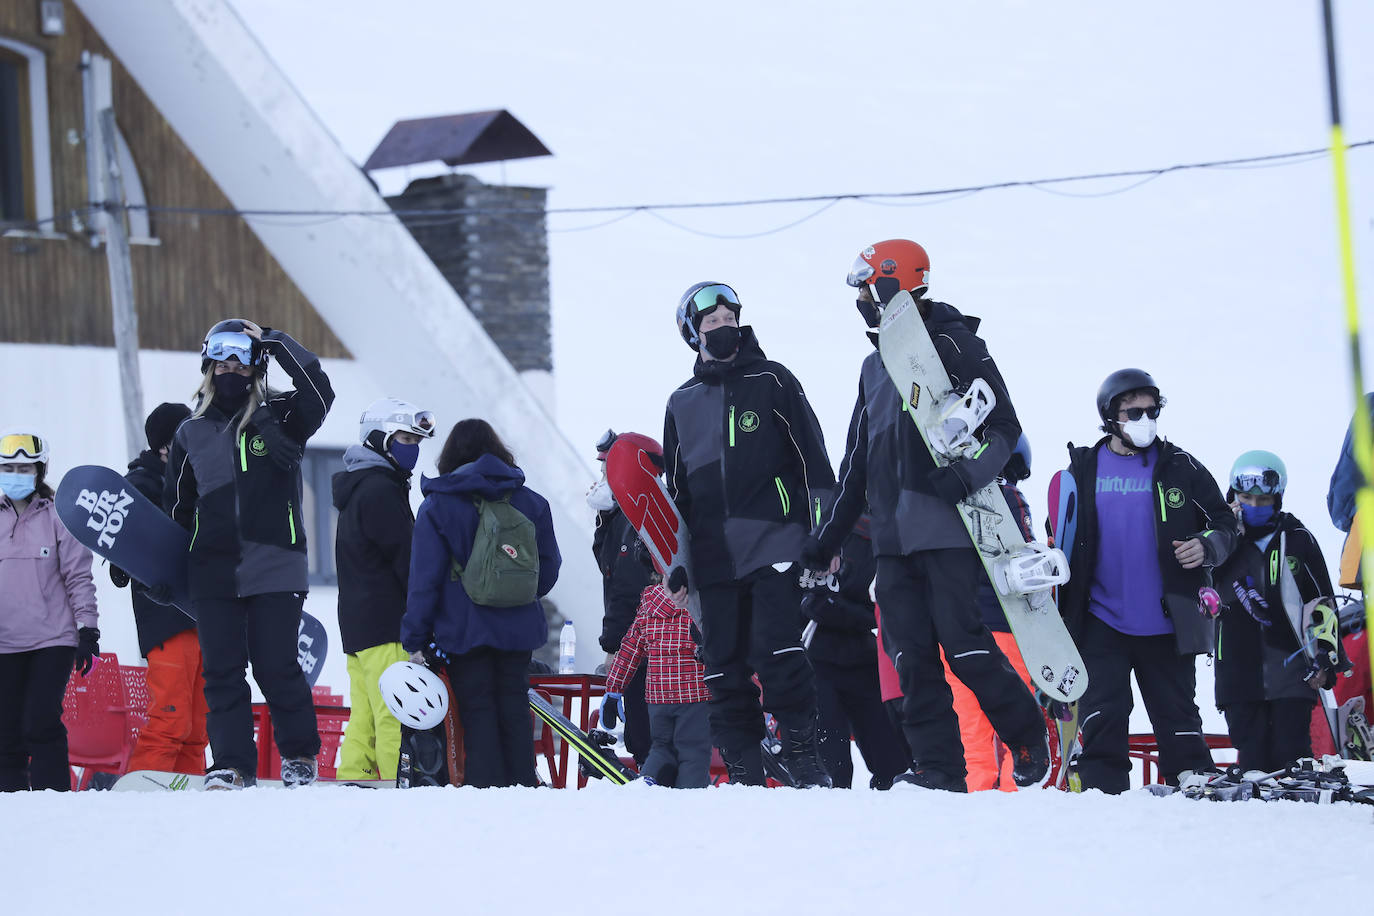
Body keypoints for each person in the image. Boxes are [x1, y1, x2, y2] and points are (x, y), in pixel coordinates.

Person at [808, 239, 1048, 792]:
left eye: (867, 289)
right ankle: (938, 768)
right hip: (892, 541)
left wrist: (968, 476)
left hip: (948, 529)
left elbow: (1006, 427)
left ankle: (1027, 732)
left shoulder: (955, 342)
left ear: (892, 283)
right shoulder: (873, 367)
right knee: (911, 658)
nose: (862, 302)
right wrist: (828, 540)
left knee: (964, 645)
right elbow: (855, 468)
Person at [663, 281, 836, 787]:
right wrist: (678, 562)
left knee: (777, 649)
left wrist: (825, 537)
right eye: (711, 323)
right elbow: (679, 496)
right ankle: (743, 770)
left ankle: (803, 753)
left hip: (775, 541)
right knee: (721, 666)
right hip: (714, 555)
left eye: (728, 318)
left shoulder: (774, 379)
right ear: (694, 335)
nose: (723, 328)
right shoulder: (681, 403)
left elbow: (815, 462)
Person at [165, 319, 335, 789]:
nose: (231, 367)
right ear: (208, 365)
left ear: (255, 364)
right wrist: (155, 570)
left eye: (241, 358)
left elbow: (319, 390)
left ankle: (299, 756)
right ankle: (232, 764)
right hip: (212, 570)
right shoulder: (189, 433)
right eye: (222, 358)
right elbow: (177, 511)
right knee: (221, 671)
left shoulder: (282, 416)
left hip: (276, 564)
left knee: (275, 664)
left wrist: (276, 339)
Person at [1056, 369, 1239, 793]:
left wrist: (1206, 546)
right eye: (1133, 412)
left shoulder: (1181, 466)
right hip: (1100, 619)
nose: (1145, 419)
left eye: (1151, 411)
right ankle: (1102, 792)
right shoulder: (1083, 468)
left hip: (1167, 620)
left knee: (1178, 718)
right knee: (1103, 714)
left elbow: (1225, 524)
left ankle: (1192, 788)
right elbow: (1060, 529)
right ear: (1109, 417)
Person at [402, 419, 561, 788]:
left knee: (477, 710)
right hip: (519, 628)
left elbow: (424, 580)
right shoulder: (531, 501)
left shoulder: (439, 506)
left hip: (463, 628)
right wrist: (520, 593)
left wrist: (415, 637)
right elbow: (548, 566)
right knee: (515, 708)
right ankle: (523, 785)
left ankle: (486, 791)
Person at [1213, 450, 1340, 772]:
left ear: (1277, 498)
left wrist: (1327, 656)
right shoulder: (1218, 541)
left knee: (1292, 755)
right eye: (1246, 497)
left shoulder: (1297, 539)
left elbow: (1323, 601)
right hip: (1238, 672)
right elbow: (1194, 587)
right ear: (1233, 496)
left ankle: (1297, 818)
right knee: (1251, 758)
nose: (1254, 506)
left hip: (1292, 670)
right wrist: (1224, 534)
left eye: (1263, 500)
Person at [333, 398, 436, 782]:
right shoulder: (381, 491)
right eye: (405, 438)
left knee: (365, 717)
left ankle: (352, 779)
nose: (412, 448)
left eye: (416, 440)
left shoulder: (359, 488)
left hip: (358, 626)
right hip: (387, 624)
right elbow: (407, 562)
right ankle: (398, 787)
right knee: (396, 715)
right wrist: (423, 620)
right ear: (379, 439)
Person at [943, 436, 1043, 791]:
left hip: (958, 627)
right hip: (1005, 623)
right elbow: (1025, 555)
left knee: (970, 724)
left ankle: (976, 793)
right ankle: (1015, 793)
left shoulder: (950, 498)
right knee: (1016, 716)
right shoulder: (1009, 497)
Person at [0, 431, 99, 791]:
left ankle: (53, 801)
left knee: (40, 721)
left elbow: (78, 577)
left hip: (52, 639)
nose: (16, 474)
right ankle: (10, 807)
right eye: (8, 467)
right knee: (6, 730)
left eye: (24, 467)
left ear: (39, 471)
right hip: (4, 643)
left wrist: (88, 629)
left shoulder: (59, 515)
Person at [114, 403, 209, 775]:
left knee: (198, 726)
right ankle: (145, 794)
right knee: (171, 719)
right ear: (164, 446)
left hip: (203, 613)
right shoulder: (143, 484)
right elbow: (125, 548)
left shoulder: (200, 480)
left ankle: (188, 793)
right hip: (165, 617)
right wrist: (138, 574)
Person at [802, 516, 908, 789]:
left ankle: (893, 821)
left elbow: (884, 611)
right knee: (833, 765)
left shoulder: (892, 536)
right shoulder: (828, 534)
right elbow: (812, 601)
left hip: (863, 656)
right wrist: (858, 612)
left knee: (891, 763)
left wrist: (846, 609)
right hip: (818, 657)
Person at [601, 580, 712, 787]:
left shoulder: (651, 601)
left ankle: (648, 787)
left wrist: (614, 689)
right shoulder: (699, 600)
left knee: (661, 748)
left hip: (657, 697)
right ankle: (691, 800)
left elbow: (630, 648)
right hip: (694, 694)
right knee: (692, 751)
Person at [588, 429, 653, 769]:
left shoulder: (637, 522)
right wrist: (604, 522)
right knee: (644, 734)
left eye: (606, 472)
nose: (601, 481)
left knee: (647, 735)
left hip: (643, 648)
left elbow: (626, 591)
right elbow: (610, 569)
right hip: (643, 645)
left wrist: (613, 646)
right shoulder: (623, 520)